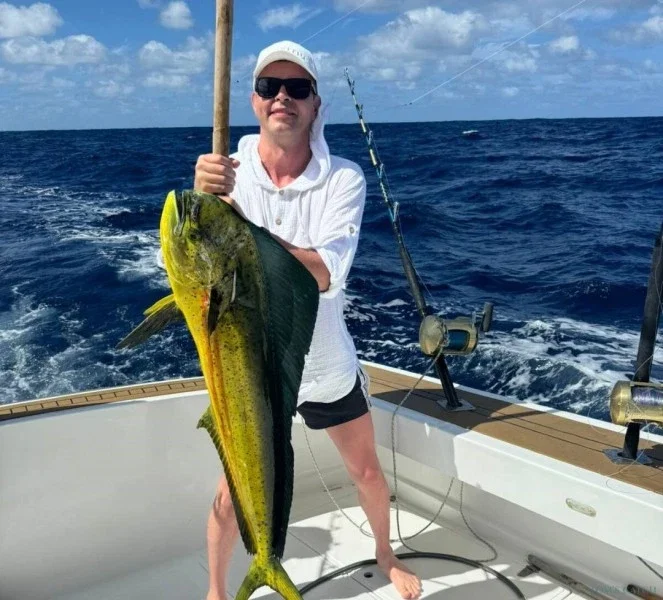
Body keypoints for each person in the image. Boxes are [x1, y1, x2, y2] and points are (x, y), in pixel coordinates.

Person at [194, 40, 422, 600]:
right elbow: (197, 267)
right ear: (254, 100)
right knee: (230, 495)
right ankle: (217, 591)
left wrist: (239, 235)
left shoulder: (344, 178)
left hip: (323, 364)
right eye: (269, 87)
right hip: (253, 375)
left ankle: (386, 553)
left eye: (297, 88)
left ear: (316, 104)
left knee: (367, 474)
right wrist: (202, 205)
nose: (282, 98)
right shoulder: (225, 176)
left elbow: (325, 272)